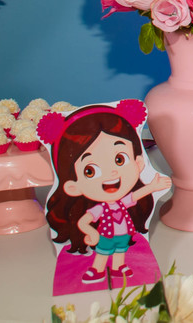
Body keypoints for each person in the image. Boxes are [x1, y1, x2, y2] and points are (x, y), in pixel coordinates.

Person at [41, 102, 171, 284]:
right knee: (103, 253)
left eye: (120, 159)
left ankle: (119, 267)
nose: (111, 173)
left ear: (138, 163)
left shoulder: (122, 203)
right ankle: (97, 269)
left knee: (120, 251)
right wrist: (91, 233)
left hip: (124, 235)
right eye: (90, 171)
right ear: (72, 186)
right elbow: (84, 221)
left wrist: (153, 186)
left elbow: (135, 196)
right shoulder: (100, 208)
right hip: (105, 236)